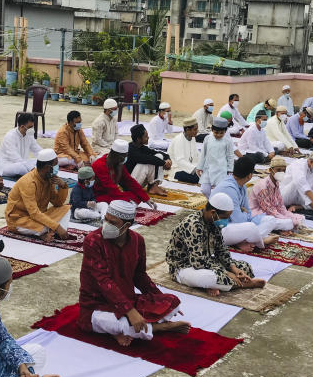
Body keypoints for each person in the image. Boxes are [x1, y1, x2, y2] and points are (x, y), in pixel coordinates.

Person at [78, 201, 188, 346]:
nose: (106, 224)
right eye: (106, 219)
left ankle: (133, 328)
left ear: (127, 225)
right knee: (120, 324)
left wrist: (161, 300)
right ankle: (159, 327)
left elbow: (140, 276)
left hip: (127, 299)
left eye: (113, 222)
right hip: (96, 304)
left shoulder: (138, 241)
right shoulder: (93, 241)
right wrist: (130, 312)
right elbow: (103, 281)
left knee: (173, 303)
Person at [165, 193, 265, 296]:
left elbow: (221, 249)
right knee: (210, 278)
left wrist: (234, 269)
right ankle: (242, 285)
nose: (226, 221)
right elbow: (198, 261)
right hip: (184, 267)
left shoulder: (214, 222)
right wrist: (227, 273)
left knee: (245, 267)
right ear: (213, 212)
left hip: (207, 261)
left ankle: (217, 286)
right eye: (225, 217)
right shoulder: (193, 224)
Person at [214, 156, 282, 250]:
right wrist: (243, 212)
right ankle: (259, 241)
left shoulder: (242, 187)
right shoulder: (228, 188)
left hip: (235, 225)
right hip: (220, 230)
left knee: (270, 220)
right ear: (250, 175)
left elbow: (248, 212)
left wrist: (243, 212)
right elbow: (239, 220)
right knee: (250, 226)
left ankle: (246, 240)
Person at [5, 149, 71, 239]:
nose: (57, 167)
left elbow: (58, 203)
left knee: (66, 209)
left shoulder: (49, 178)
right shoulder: (29, 182)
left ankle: (48, 232)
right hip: (20, 220)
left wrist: (62, 186)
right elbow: (34, 213)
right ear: (47, 167)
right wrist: (57, 227)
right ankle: (47, 232)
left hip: (39, 217)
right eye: (56, 164)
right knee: (46, 226)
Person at [249, 157, 305, 231]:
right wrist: (289, 220)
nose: (281, 172)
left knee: (301, 218)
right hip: (259, 215)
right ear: (270, 170)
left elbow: (281, 206)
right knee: (288, 223)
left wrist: (291, 217)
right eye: (278, 170)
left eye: (283, 170)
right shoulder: (262, 186)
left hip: (273, 213)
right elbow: (269, 210)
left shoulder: (276, 183)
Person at [92, 140, 153, 207]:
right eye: (124, 156)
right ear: (116, 156)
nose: (125, 159)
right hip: (99, 196)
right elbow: (111, 188)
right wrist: (126, 199)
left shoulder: (118, 164)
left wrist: (146, 198)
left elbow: (130, 181)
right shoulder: (99, 165)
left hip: (112, 194)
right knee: (128, 199)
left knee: (136, 196)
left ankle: (126, 206)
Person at [280, 149, 313, 221]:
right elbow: (304, 188)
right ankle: (310, 207)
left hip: (301, 196)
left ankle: (299, 206)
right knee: (298, 185)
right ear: (310, 161)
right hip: (286, 196)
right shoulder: (298, 165)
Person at [127, 124, 171, 196]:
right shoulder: (130, 149)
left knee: (159, 156)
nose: (148, 137)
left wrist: (167, 159)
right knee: (145, 163)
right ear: (138, 139)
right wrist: (163, 163)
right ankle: (153, 187)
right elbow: (146, 159)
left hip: (138, 180)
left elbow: (157, 153)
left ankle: (154, 186)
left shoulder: (141, 147)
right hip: (130, 185)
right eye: (145, 136)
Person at [197, 117, 235, 197]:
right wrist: (199, 167)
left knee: (219, 191)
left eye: (221, 133)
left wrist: (230, 169)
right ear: (212, 130)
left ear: (225, 131)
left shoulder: (228, 141)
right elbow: (203, 153)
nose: (218, 135)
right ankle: (211, 202)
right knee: (204, 190)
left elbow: (230, 156)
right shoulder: (207, 139)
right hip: (208, 168)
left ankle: (215, 205)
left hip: (221, 170)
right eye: (216, 132)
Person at [0, 113, 43, 177]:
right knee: (20, 168)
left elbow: (37, 150)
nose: (32, 129)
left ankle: (34, 171)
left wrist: (47, 158)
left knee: (39, 161)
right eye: (30, 127)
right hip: (8, 165)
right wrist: (31, 168)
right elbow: (16, 159)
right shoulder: (10, 136)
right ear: (22, 127)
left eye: (32, 127)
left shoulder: (29, 135)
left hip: (23, 162)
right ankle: (34, 173)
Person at [168, 117, 201, 183]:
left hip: (191, 166)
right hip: (178, 169)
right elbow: (180, 161)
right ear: (188, 130)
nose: (197, 131)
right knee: (198, 178)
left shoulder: (192, 137)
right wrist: (195, 169)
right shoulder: (179, 140)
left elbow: (197, 154)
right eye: (195, 129)